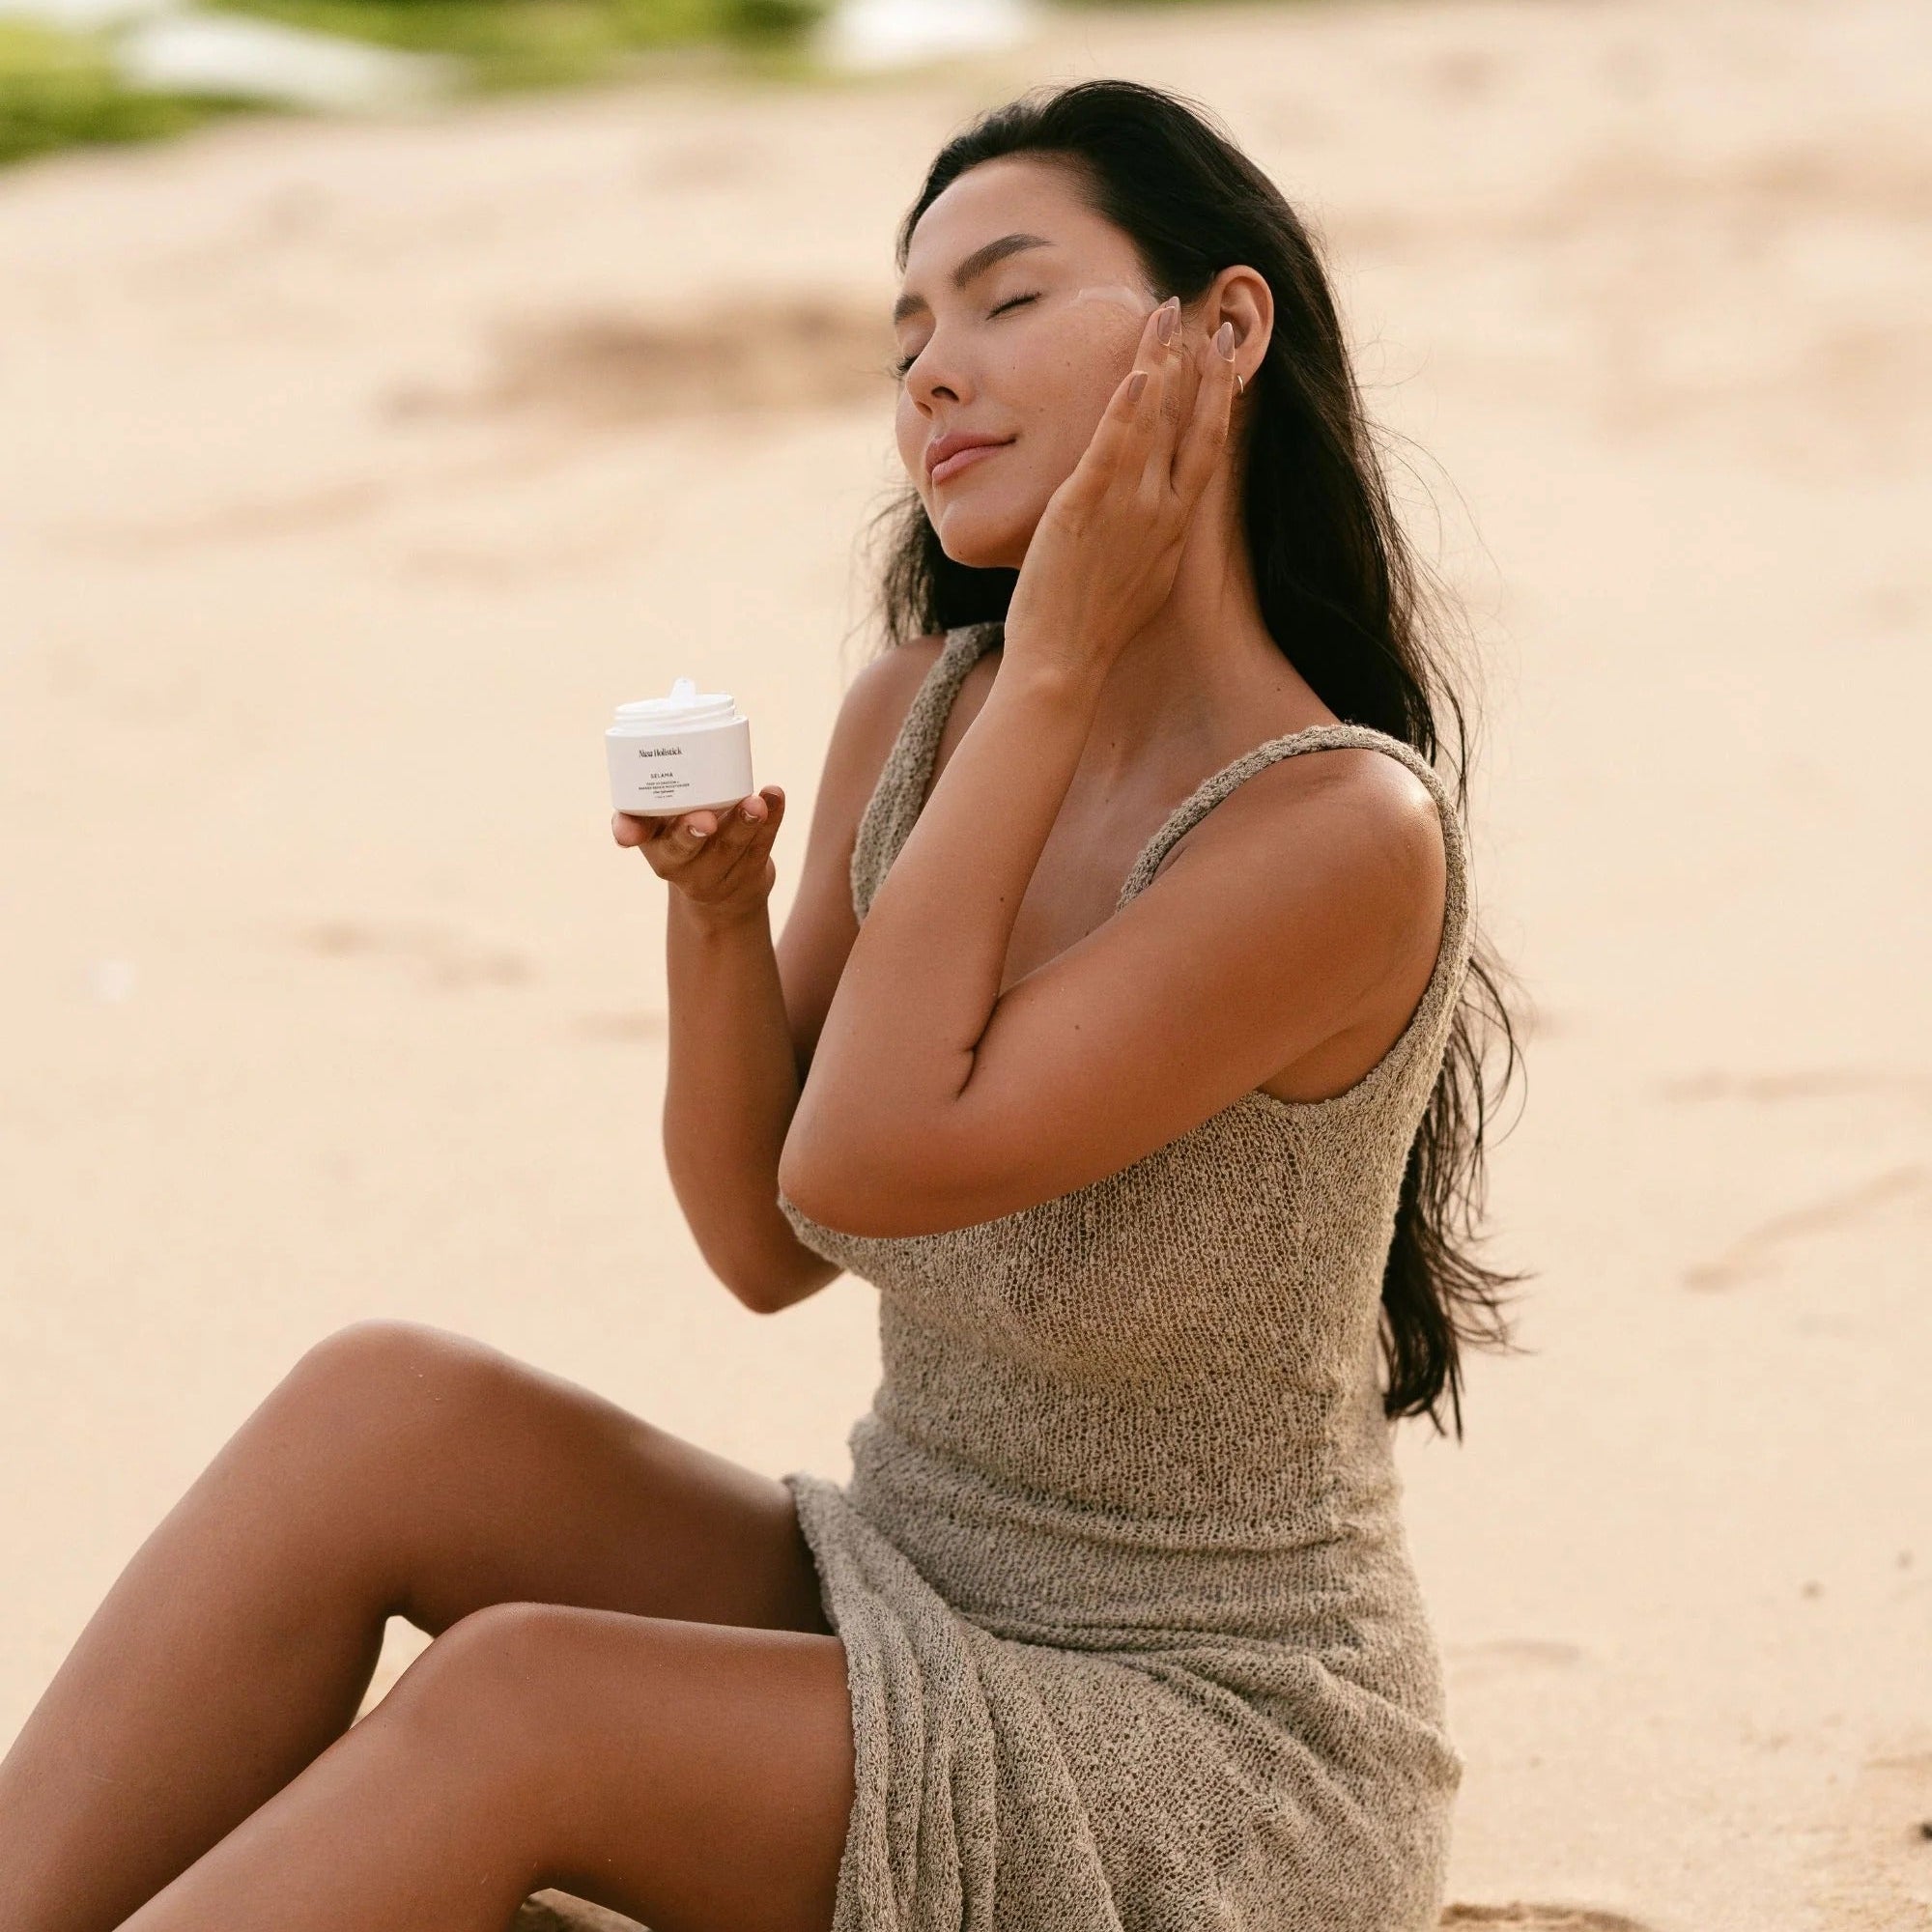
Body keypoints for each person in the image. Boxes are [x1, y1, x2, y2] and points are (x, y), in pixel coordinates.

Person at [0, 76, 1524, 1932]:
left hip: (1203, 1742)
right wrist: (720, 921)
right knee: (380, 1408)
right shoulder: (922, 718)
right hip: (909, 1582)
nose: (934, 374)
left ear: (1222, 329)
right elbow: (766, 1233)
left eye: (1009, 298)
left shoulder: (1333, 831)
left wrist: (1051, 661)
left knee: (523, 1702)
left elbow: (878, 1157)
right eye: (909, 335)